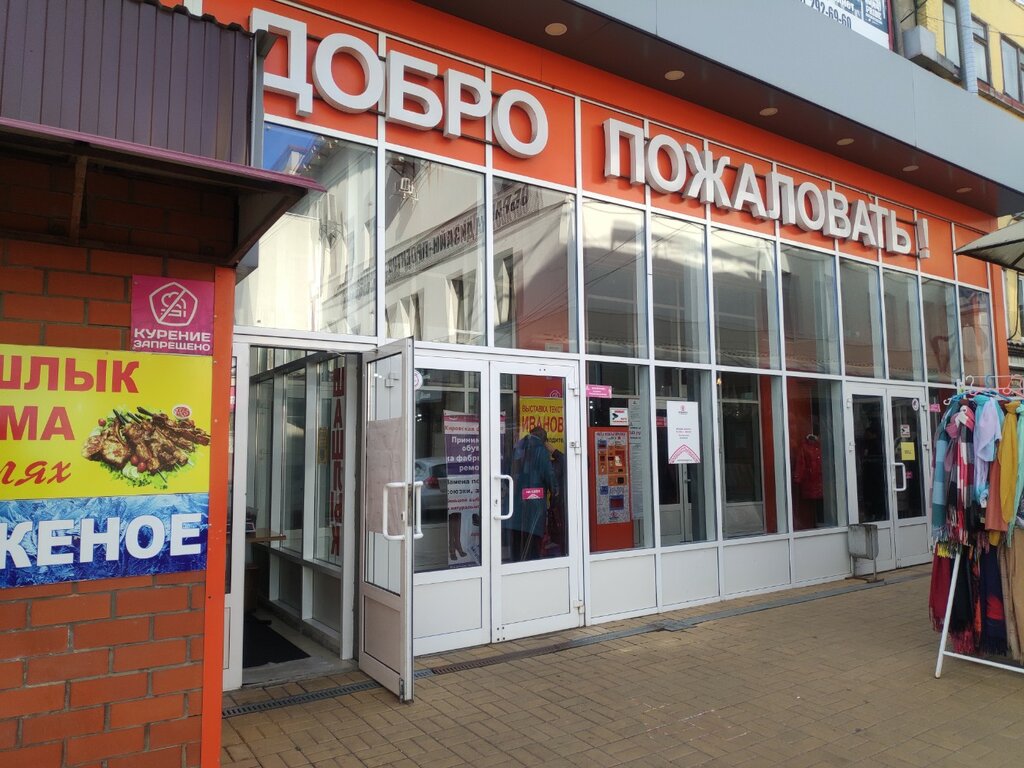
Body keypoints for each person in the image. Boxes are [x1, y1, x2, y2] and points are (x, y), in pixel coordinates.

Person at [507, 426, 557, 561]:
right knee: (533, 534)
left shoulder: (518, 446)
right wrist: (556, 491)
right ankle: (531, 564)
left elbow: (508, 469)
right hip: (535, 499)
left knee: (519, 533)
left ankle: (516, 561)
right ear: (543, 439)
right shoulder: (541, 450)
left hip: (517, 499)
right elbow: (549, 474)